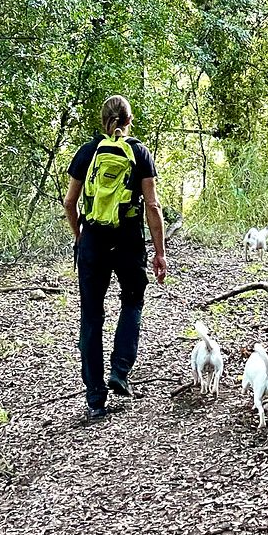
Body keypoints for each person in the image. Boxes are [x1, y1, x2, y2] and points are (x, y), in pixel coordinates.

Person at [63, 94, 167, 421]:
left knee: (91, 317)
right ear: (128, 119)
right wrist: (159, 251)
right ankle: (119, 372)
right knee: (133, 301)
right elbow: (152, 206)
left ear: (102, 119)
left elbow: (69, 202)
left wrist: (81, 237)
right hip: (128, 240)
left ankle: (95, 398)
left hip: (93, 240)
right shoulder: (140, 153)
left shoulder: (87, 152)